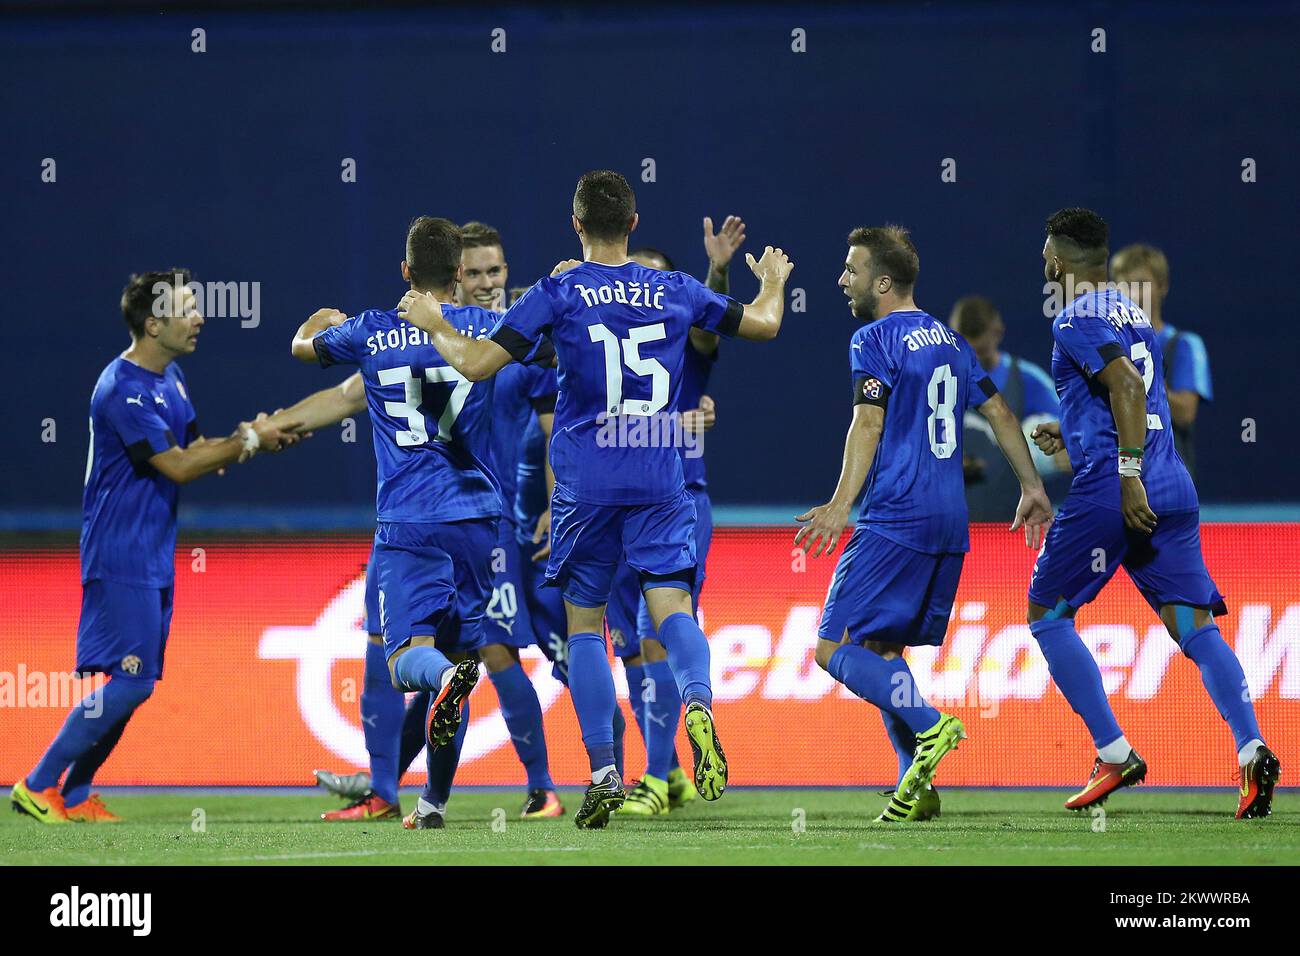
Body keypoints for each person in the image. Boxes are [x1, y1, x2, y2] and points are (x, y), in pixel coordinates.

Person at [397, 170, 793, 828]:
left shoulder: (558, 291)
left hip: (586, 481)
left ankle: (605, 769)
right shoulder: (673, 288)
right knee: (672, 612)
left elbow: (473, 365)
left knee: (585, 628)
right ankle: (697, 701)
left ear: (576, 224)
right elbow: (765, 324)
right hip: (660, 473)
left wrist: (436, 321)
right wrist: (774, 280)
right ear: (634, 224)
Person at [11, 271, 300, 825]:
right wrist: (248, 441)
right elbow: (180, 467)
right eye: (188, 308)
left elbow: (196, 449)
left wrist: (256, 439)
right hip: (119, 553)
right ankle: (37, 784)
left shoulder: (172, 377)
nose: (200, 317)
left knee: (134, 684)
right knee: (133, 681)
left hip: (152, 554)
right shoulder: (123, 387)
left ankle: (73, 796)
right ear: (152, 323)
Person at [795, 226, 1051, 823]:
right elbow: (1001, 412)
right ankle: (920, 786)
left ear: (882, 283)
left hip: (894, 517)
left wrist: (839, 505)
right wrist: (1033, 487)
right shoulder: (953, 343)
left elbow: (868, 424)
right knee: (884, 651)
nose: (842, 279)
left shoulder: (873, 337)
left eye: (851, 270)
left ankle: (933, 727)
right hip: (949, 524)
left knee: (833, 649)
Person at [1028, 208, 1276, 818]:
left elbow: (1128, 390)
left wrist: (1125, 473)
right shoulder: (1130, 310)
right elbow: (1135, 394)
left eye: (1044, 252)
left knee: (1047, 615)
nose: (1041, 260)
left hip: (1118, 484)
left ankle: (1113, 753)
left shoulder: (1074, 315)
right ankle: (1251, 751)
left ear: (1058, 260)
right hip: (1175, 484)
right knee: (1194, 627)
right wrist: (1076, 431)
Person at [290, 216, 502, 830]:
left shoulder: (372, 332)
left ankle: (440, 688)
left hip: (408, 522)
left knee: (403, 658)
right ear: (460, 273)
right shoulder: (487, 330)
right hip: (479, 521)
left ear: (405, 272)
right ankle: (432, 804)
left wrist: (316, 321)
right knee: (460, 653)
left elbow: (302, 349)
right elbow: (548, 346)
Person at [607, 218, 743, 817]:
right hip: (610, 508)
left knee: (655, 633)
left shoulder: (686, 345)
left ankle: (654, 780)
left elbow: (714, 331)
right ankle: (669, 769)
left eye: (658, 282)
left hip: (675, 498)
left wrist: (718, 270)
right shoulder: (603, 347)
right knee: (634, 650)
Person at [948, 295, 1070, 519]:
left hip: (1013, 529)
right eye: (966, 353)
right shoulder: (940, 382)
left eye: (980, 354)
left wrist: (1054, 453)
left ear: (998, 332)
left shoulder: (1028, 379)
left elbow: (1072, 430)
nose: (972, 363)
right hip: (954, 526)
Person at [1109, 244, 1212, 480]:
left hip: (1168, 480)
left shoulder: (1183, 344)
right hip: (1117, 480)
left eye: (1142, 283)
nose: (1133, 293)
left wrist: (1144, 377)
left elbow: (1185, 413)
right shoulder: (1107, 345)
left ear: (1163, 286)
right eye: (1125, 284)